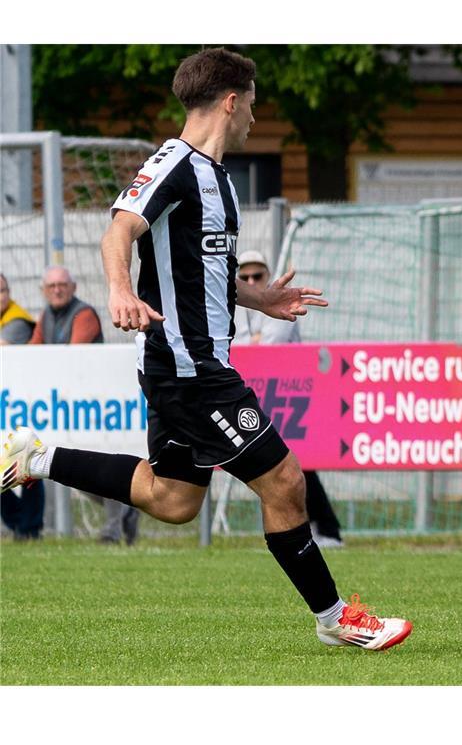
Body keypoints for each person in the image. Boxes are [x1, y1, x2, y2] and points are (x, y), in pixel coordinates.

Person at [0, 48, 410, 651]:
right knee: (285, 480)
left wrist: (258, 299)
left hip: (186, 363)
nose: (254, 116)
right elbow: (119, 229)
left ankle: (36, 457)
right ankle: (334, 617)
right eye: (252, 103)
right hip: (191, 368)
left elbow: (198, 276)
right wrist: (118, 289)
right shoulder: (175, 165)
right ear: (230, 99)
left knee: (173, 499)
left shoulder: (218, 180)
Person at [233, 249, 344, 549]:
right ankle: (307, 530)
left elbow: (269, 344)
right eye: (245, 277)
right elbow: (241, 344)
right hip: (255, 395)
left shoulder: (281, 302)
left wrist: (251, 343)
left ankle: (325, 529)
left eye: (258, 275)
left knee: (297, 465)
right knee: (278, 467)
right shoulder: (233, 306)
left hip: (289, 394)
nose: (252, 281)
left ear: (268, 276)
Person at [28, 266, 141, 545]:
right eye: (51, 285)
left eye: (62, 284)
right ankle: (127, 510)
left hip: (96, 405)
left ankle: (111, 530)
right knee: (82, 473)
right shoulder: (45, 317)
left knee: (103, 464)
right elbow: (32, 352)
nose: (57, 289)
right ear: (44, 290)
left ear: (73, 287)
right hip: (65, 405)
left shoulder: (84, 314)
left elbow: (73, 356)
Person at [0, 273, 45, 539]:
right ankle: (20, 525)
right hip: (7, 403)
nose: (1, 295)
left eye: (3, 290)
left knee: (28, 465)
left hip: (22, 404)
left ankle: (29, 526)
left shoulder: (16, 321)